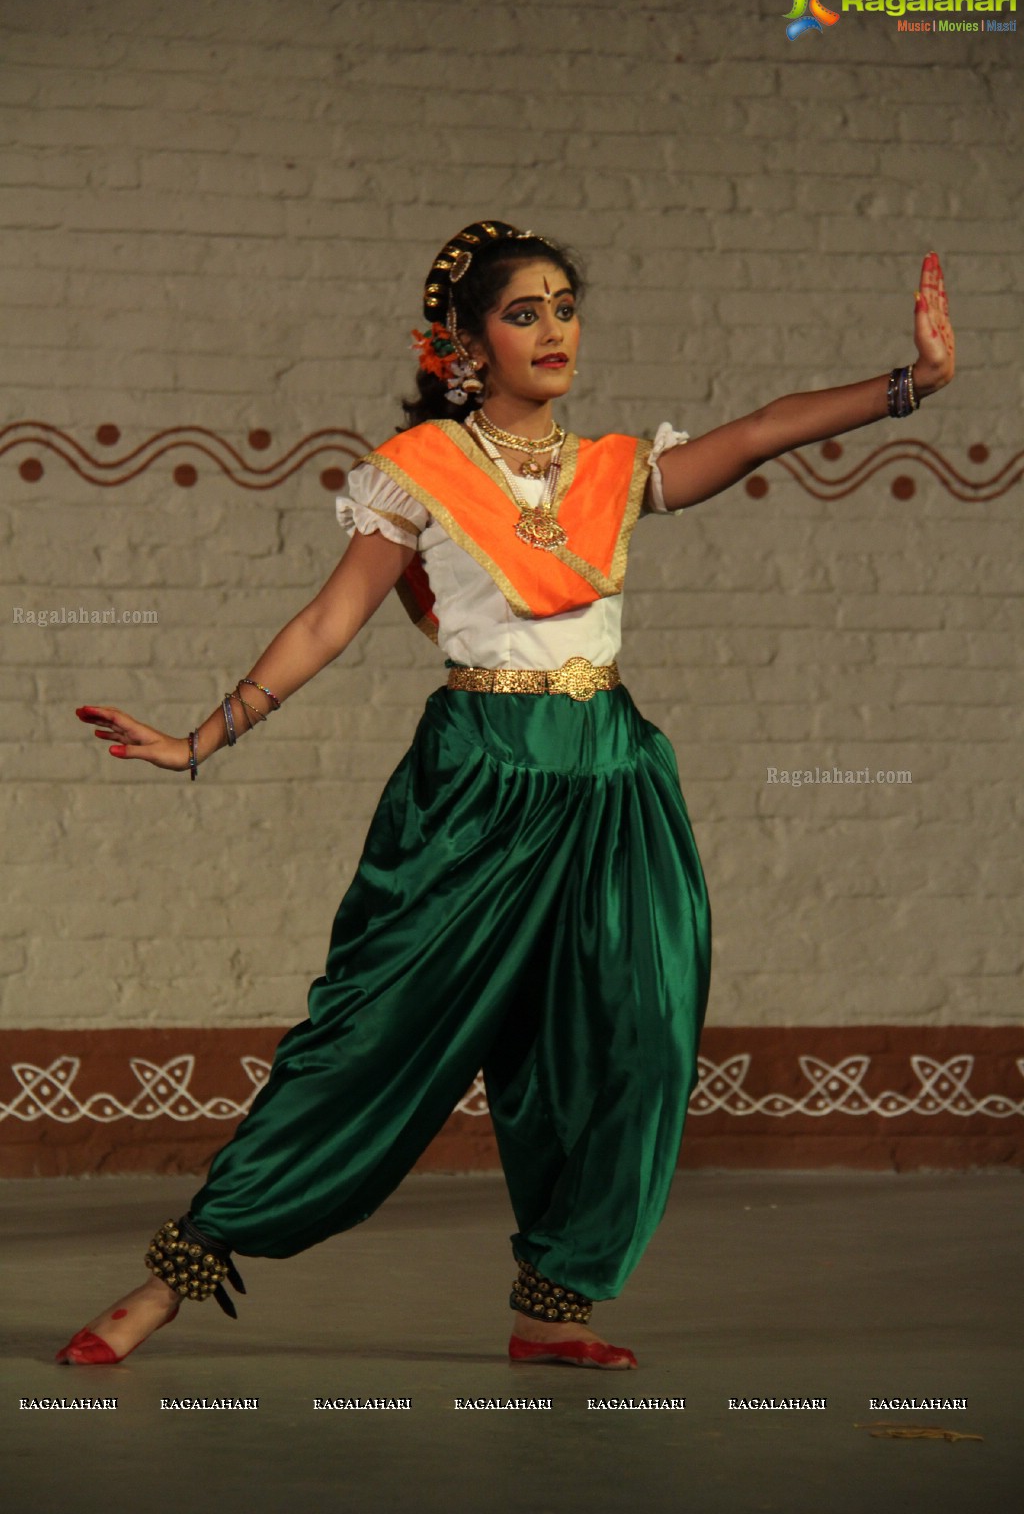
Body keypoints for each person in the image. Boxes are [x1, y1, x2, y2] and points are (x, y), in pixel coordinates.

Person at [58, 220, 955, 1372]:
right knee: (372, 1036)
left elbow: (763, 431)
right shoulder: (419, 473)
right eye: (523, 312)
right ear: (466, 344)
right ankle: (176, 1275)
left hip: (614, 779)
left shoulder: (611, 470)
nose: (553, 330)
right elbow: (331, 619)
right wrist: (199, 740)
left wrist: (908, 385)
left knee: (629, 1035)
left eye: (565, 306)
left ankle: (555, 1305)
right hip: (479, 778)